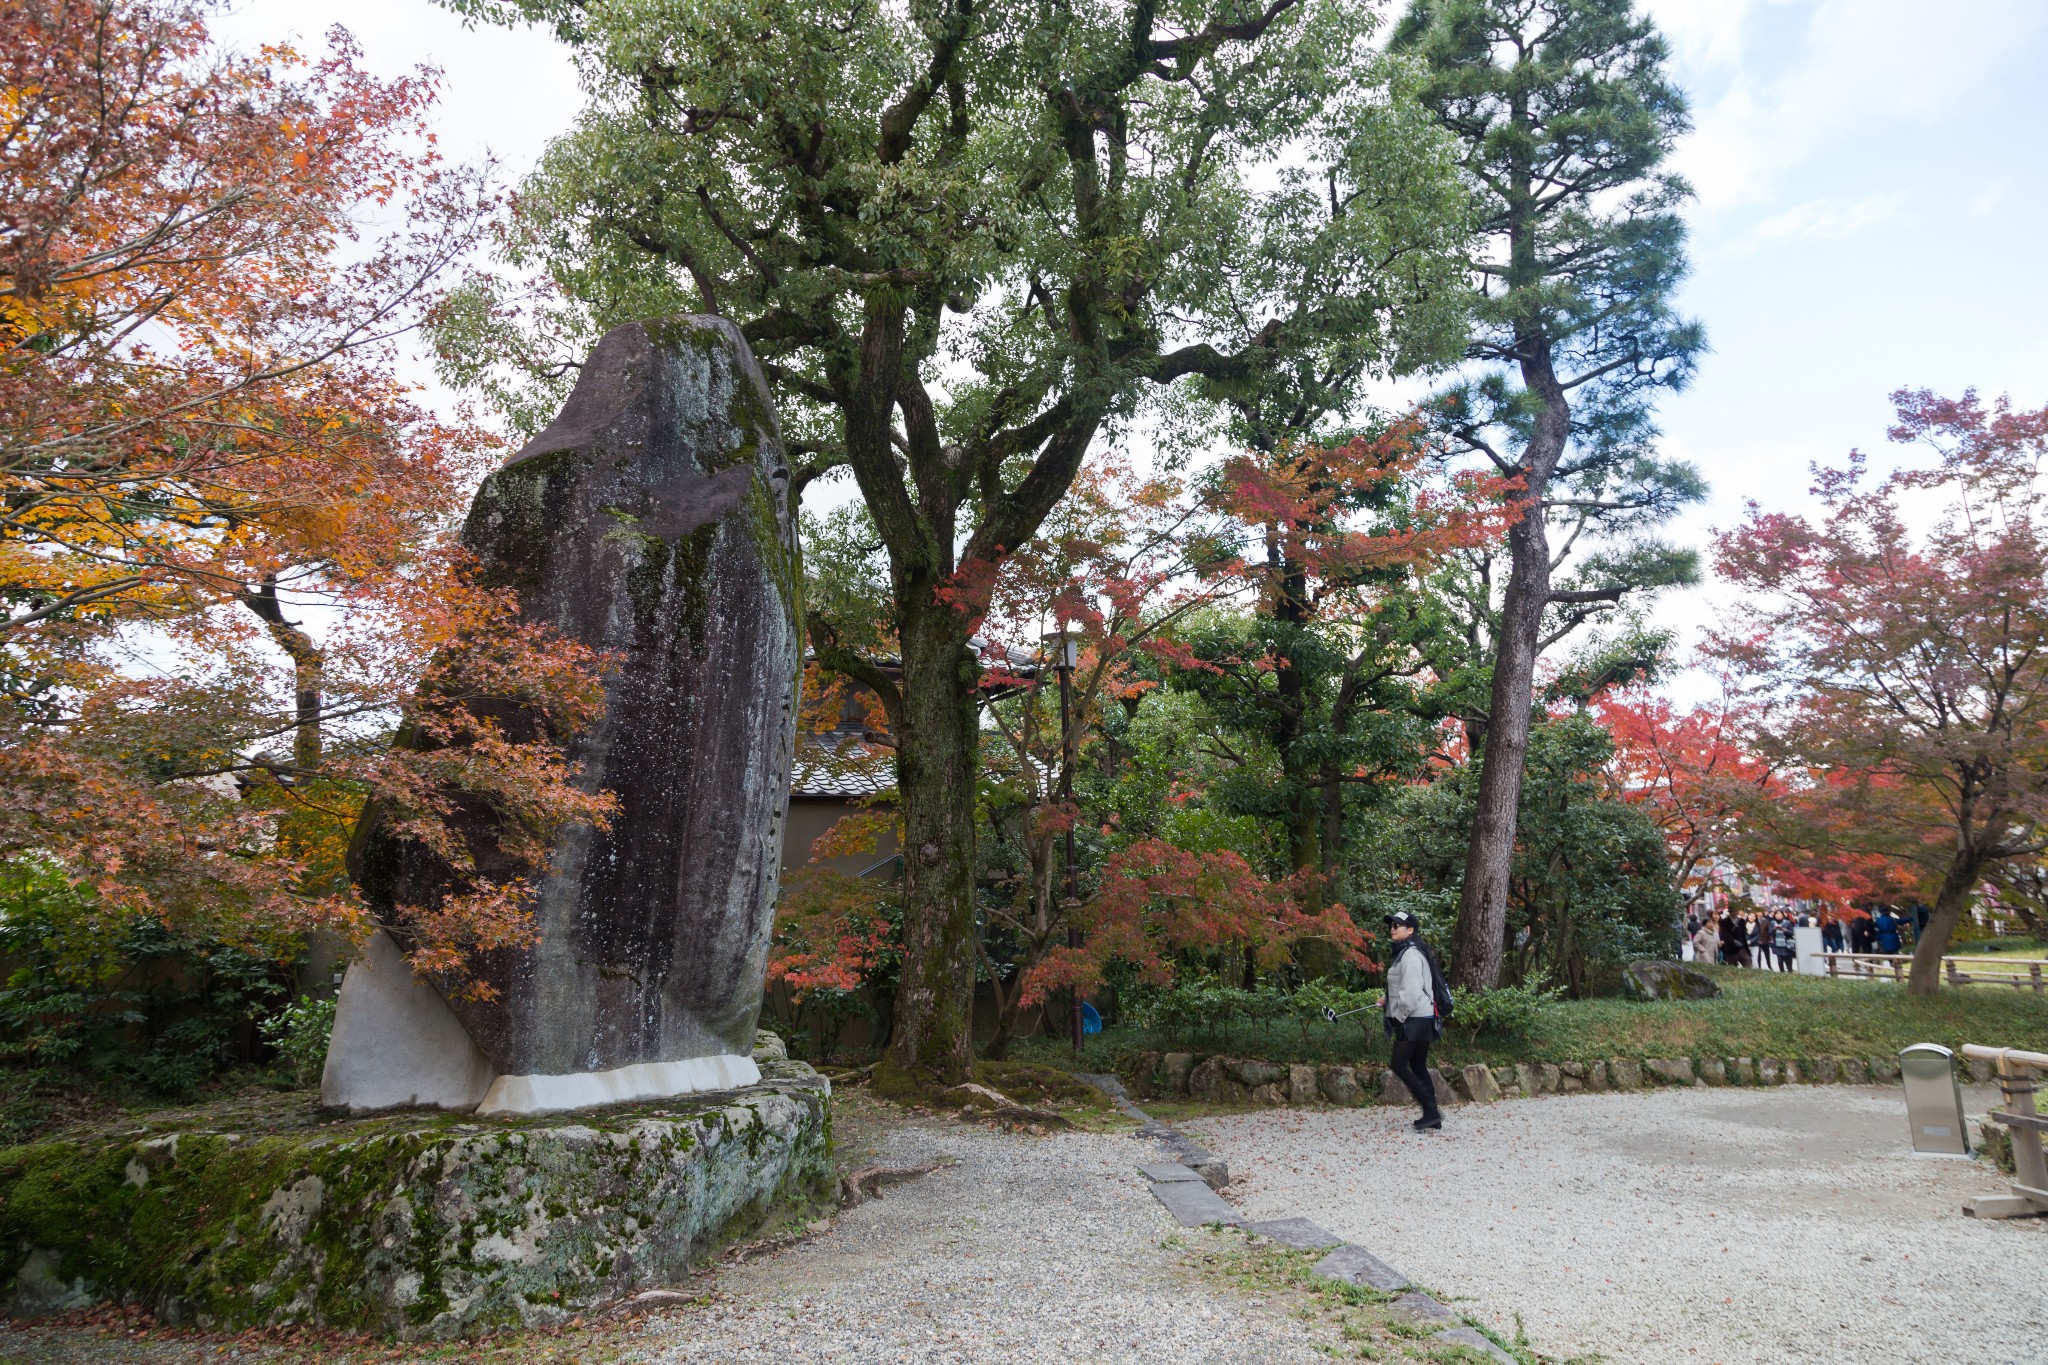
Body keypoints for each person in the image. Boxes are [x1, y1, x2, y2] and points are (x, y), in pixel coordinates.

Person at [1380, 910, 1445, 1131]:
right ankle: (1432, 1115)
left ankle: (1431, 1110)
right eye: (1391, 925)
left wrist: (1398, 1018)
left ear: (1410, 930)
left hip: (1415, 1019)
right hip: (1421, 1017)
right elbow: (1404, 989)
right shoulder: (1406, 953)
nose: (1392, 928)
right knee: (1417, 1065)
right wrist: (1388, 1000)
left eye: (1397, 925)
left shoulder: (1411, 956)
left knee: (1398, 1064)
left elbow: (1412, 993)